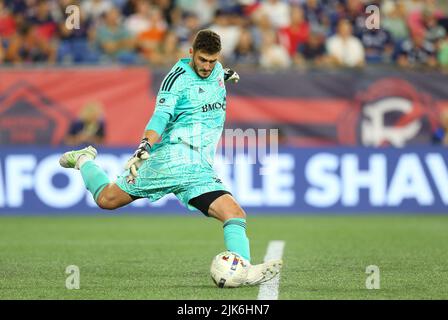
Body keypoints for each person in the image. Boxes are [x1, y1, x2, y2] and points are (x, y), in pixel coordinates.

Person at [59, 29, 282, 287]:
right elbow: (160, 116)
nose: (207, 67)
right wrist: (145, 146)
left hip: (199, 168)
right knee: (107, 199)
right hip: (170, 159)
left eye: (213, 61)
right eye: (202, 60)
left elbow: (215, 75)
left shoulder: (217, 71)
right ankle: (84, 159)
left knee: (234, 214)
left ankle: (242, 268)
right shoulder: (176, 80)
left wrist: (227, 73)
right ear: (191, 54)